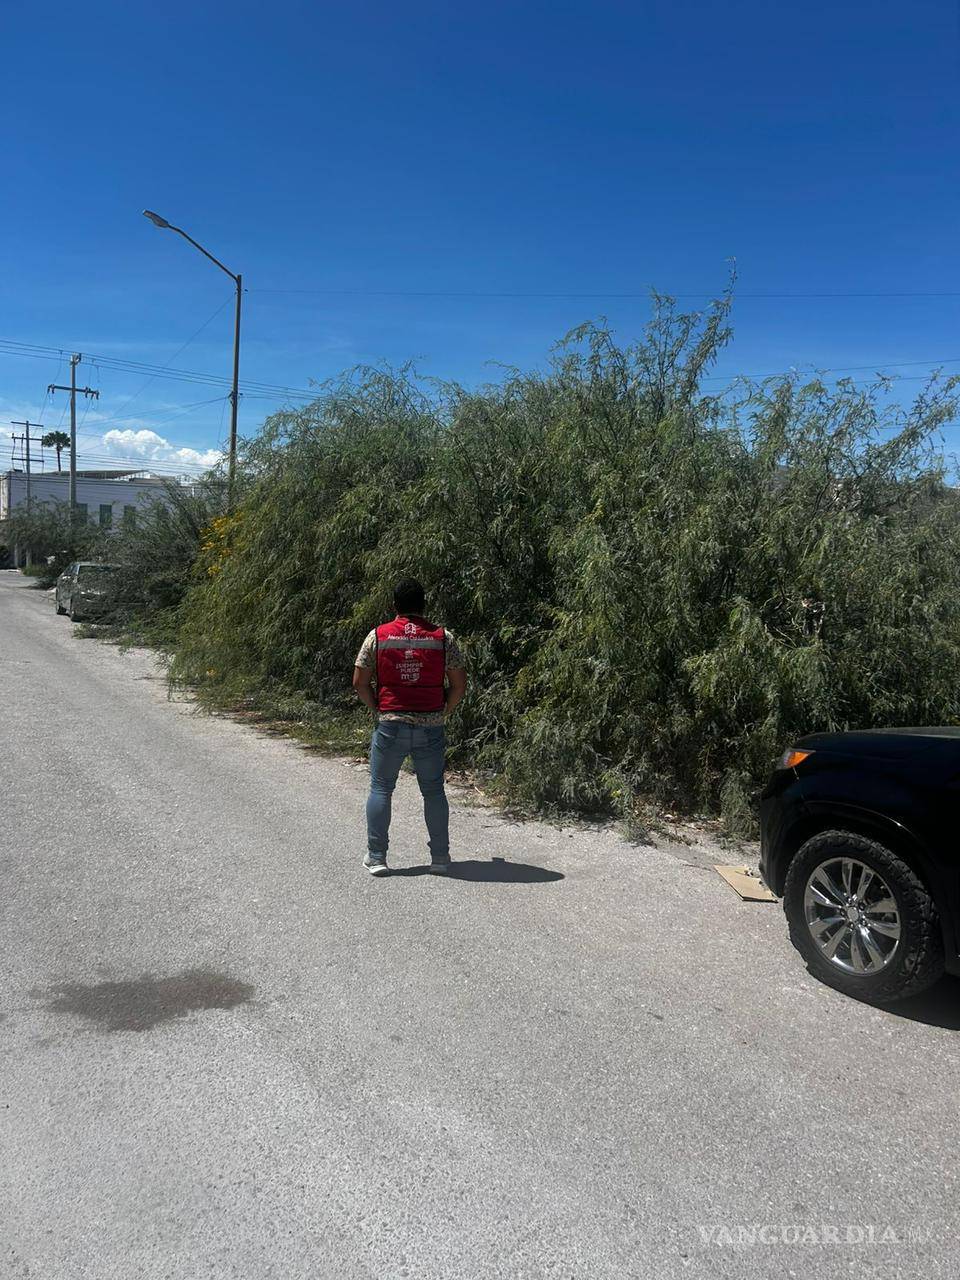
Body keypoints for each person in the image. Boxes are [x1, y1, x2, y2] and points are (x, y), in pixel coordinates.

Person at [353, 578, 467, 876]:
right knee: (433, 791)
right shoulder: (444, 638)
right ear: (424, 605)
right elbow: (458, 685)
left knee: (381, 788)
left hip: (391, 723)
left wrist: (377, 708)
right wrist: (445, 710)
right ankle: (440, 858)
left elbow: (359, 682)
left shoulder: (378, 636)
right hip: (431, 726)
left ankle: (377, 857)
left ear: (395, 606)